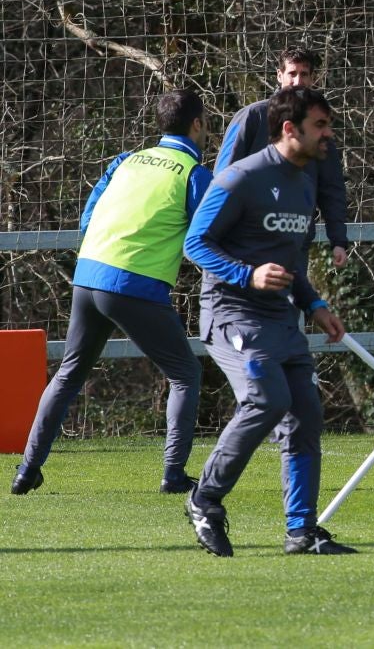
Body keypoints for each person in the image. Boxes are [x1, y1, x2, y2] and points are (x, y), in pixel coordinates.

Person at [10, 90, 211, 496]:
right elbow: (207, 237)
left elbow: (88, 218)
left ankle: (26, 470)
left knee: (68, 375)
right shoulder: (192, 173)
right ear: (197, 125)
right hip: (133, 282)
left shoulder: (126, 161)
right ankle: (173, 474)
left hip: (89, 275)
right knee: (186, 374)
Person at [183, 87, 353, 556]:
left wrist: (314, 304)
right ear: (289, 129)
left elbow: (290, 261)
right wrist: (247, 274)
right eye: (320, 125)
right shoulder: (241, 178)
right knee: (267, 399)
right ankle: (205, 499)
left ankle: (301, 531)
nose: (329, 134)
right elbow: (195, 244)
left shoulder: (304, 183)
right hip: (230, 313)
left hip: (281, 319)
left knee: (306, 415)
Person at [216, 47, 350, 268]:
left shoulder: (318, 128)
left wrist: (338, 240)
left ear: (313, 79)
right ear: (279, 76)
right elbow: (223, 177)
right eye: (292, 73)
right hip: (248, 240)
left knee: (288, 301)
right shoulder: (252, 117)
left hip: (294, 242)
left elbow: (331, 188)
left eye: (304, 74)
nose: (298, 81)